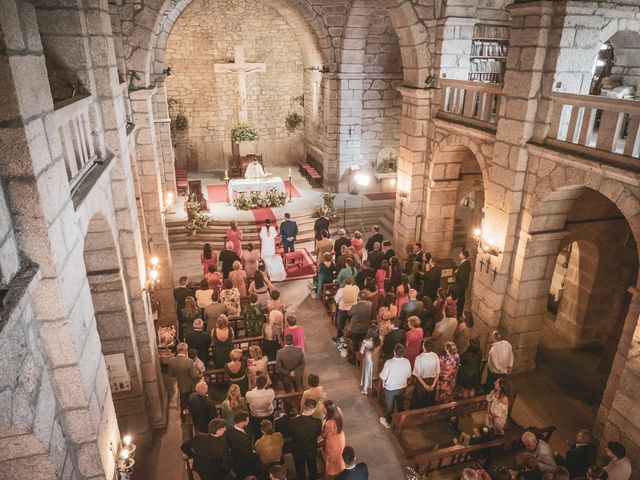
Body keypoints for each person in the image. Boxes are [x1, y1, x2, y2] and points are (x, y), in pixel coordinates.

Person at [379, 343, 412, 429]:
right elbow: (408, 375)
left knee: (390, 407)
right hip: (402, 387)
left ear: (394, 352)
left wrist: (383, 383)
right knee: (401, 405)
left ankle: (388, 422)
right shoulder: (407, 361)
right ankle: (401, 421)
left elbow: (383, 376)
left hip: (390, 389)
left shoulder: (389, 363)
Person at [289, 399, 323, 480]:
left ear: (304, 407)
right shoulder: (317, 422)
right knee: (313, 470)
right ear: (313, 409)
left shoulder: (293, 421)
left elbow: (290, 434)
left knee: (300, 472)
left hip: (298, 450)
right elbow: (318, 435)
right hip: (311, 450)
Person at [225, 410, 259, 480]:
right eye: (247, 420)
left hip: (237, 460)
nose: (248, 421)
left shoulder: (230, 430)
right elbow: (248, 456)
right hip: (244, 465)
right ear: (242, 422)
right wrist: (255, 454)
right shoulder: (242, 440)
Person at [169, 342, 201, 412]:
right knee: (193, 402)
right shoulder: (189, 361)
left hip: (180, 385)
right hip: (190, 386)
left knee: (183, 402)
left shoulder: (171, 361)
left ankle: (183, 417)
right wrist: (200, 374)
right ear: (186, 351)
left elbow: (172, 374)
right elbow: (194, 376)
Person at [409, 339, 440, 409]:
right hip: (432, 381)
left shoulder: (419, 358)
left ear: (424, 347)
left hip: (421, 382)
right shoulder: (435, 356)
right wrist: (433, 384)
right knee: (429, 402)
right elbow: (438, 372)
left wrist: (425, 385)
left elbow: (417, 375)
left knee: (419, 402)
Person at [323, 400, 346, 478]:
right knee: (340, 455)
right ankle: (340, 470)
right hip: (340, 437)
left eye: (324, 409)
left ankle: (333, 473)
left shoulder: (329, 423)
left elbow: (324, 435)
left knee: (332, 458)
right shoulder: (338, 412)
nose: (323, 410)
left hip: (333, 441)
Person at [360, 324, 381, 396]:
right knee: (372, 371)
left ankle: (365, 389)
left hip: (367, 359)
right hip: (375, 358)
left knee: (366, 373)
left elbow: (361, 351)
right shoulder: (378, 340)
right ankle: (372, 383)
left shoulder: (365, 341)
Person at [453, 249, 471, 314]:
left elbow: (462, 277)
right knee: (461, 298)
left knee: (459, 299)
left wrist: (456, 273)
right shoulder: (466, 263)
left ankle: (458, 312)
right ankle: (458, 311)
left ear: (463, 256)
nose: (459, 255)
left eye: (460, 254)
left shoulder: (465, 265)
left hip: (461, 285)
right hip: (462, 284)